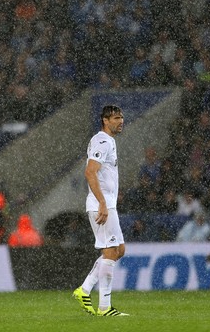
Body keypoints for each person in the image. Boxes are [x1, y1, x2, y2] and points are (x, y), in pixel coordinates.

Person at [73, 105, 129, 317]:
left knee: (118, 250)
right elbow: (90, 172)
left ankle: (85, 289)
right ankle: (105, 307)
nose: (121, 121)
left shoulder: (108, 141)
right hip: (101, 206)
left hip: (107, 204)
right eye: (116, 117)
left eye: (122, 117)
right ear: (105, 120)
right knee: (110, 251)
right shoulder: (102, 141)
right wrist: (103, 203)